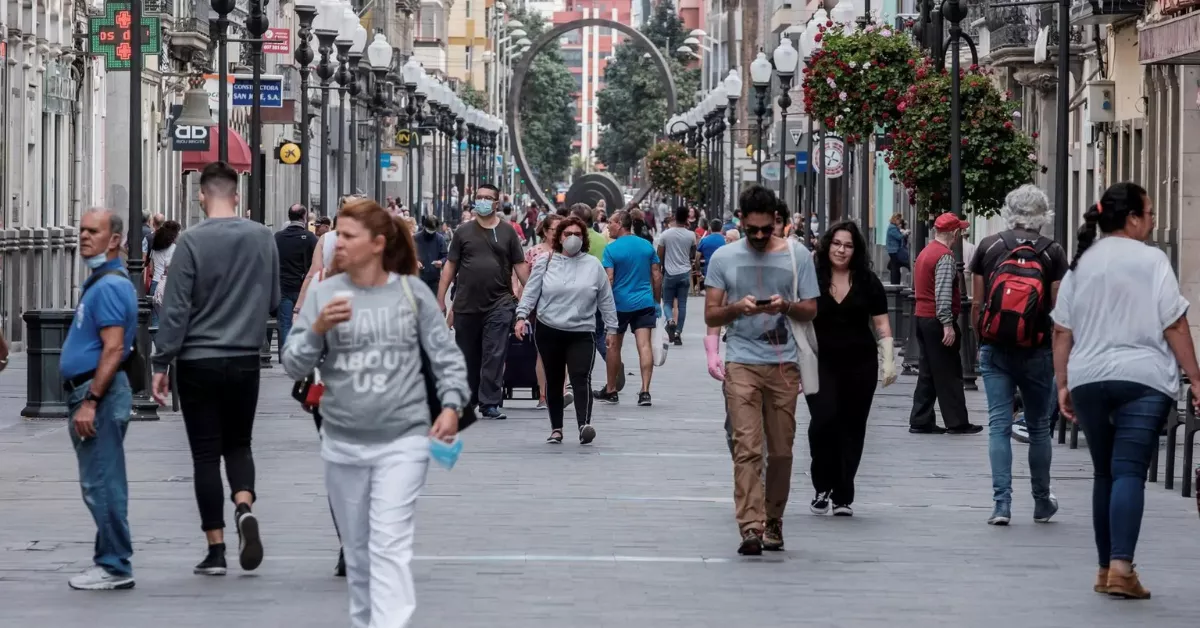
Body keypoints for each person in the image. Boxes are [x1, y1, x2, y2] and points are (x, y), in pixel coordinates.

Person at [282, 199, 468, 627]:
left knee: (389, 543)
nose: (336, 244)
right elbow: (293, 364)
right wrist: (316, 329)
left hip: (402, 438)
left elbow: (445, 356)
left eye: (347, 237)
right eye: (336, 236)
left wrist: (453, 405)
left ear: (377, 244)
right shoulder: (325, 294)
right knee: (361, 552)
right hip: (343, 441)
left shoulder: (410, 292)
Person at [1052, 182, 1200, 600]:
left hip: (1089, 378)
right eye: (1150, 214)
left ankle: (1104, 569)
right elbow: (1174, 323)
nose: (1153, 222)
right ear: (1132, 218)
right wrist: (1197, 377)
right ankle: (1121, 568)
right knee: (1130, 471)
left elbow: (1062, 330)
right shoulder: (1152, 260)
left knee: (1105, 472)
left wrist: (1063, 383)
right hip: (1144, 378)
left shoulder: (1081, 264)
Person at [151, 161, 280, 575]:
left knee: (205, 455)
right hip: (245, 359)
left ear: (202, 196)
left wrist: (160, 362)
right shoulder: (263, 238)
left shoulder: (190, 242)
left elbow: (176, 309)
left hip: (197, 361)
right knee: (239, 444)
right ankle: (244, 504)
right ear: (237, 195)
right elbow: (275, 297)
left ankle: (216, 550)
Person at [704, 185, 819, 555]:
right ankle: (750, 527)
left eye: (765, 229)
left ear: (776, 223)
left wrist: (785, 306)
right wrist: (738, 309)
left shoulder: (797, 255)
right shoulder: (723, 257)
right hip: (741, 361)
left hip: (785, 365)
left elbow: (811, 309)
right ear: (741, 220)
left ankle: (774, 520)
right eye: (751, 229)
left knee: (782, 451)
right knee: (747, 447)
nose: (757, 236)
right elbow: (710, 313)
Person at [968, 185, 1068, 526]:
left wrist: (982, 338)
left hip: (995, 348)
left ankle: (1002, 505)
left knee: (999, 425)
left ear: (1009, 212)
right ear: (1043, 215)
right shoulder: (1053, 252)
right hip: (1037, 348)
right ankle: (1041, 501)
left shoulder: (989, 246)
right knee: (1039, 428)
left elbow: (978, 304)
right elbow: (1057, 309)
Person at [60, 207, 138, 591]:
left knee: (103, 482)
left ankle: (114, 564)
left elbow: (113, 348)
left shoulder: (108, 286)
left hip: (98, 395)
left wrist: (91, 400)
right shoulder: (102, 281)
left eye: (94, 231)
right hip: (92, 392)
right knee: (101, 480)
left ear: (115, 240)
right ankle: (108, 558)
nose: (84, 237)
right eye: (82, 230)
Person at [805, 221, 896, 518]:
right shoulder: (812, 277)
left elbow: (881, 324)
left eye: (848, 245)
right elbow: (798, 319)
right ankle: (822, 484)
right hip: (820, 363)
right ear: (827, 245)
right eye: (837, 244)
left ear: (855, 250)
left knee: (853, 428)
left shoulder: (868, 281)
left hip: (860, 364)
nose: (841, 250)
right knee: (824, 421)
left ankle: (843, 494)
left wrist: (888, 359)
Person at [516, 216, 618, 444]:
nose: (573, 238)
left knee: (581, 377)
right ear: (559, 237)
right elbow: (531, 291)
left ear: (584, 238)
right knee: (554, 379)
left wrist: (612, 328)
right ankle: (557, 429)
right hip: (549, 329)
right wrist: (521, 316)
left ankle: (584, 425)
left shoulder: (593, 265)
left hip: (582, 331)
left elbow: (606, 299)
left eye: (578, 234)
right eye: (567, 234)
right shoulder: (546, 261)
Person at [437, 183, 529, 421]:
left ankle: (489, 402)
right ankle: (470, 399)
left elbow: (520, 266)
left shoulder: (508, 232)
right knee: (467, 355)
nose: (483, 201)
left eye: (488, 198)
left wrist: (529, 297)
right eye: (480, 197)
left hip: (500, 302)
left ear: (497, 204)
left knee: (494, 353)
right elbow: (450, 265)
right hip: (466, 304)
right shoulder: (462, 232)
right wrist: (441, 299)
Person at [908, 212, 983, 435]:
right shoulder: (945, 256)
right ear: (954, 233)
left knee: (928, 371)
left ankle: (921, 419)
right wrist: (947, 324)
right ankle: (957, 422)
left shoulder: (925, 253)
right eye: (959, 230)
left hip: (922, 317)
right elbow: (942, 292)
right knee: (950, 372)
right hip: (936, 320)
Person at [595, 210, 662, 407]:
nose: (608, 226)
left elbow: (609, 278)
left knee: (614, 346)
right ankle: (645, 391)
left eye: (610, 223)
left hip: (619, 304)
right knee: (644, 346)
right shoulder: (646, 246)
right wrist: (656, 301)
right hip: (644, 303)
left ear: (620, 224)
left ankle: (611, 390)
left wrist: (602, 303)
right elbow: (657, 277)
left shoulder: (611, 249)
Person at [525, 214, 567, 409]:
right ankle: (543, 395)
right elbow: (523, 281)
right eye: (554, 230)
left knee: (565, 352)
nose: (557, 235)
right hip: (540, 309)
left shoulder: (569, 252)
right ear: (544, 231)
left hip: (565, 307)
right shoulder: (534, 252)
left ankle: (561, 392)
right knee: (543, 353)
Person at [275, 204, 318, 357]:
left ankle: (286, 356)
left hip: (284, 286)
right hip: (303, 288)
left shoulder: (278, 237)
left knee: (285, 323)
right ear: (304, 217)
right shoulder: (310, 238)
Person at [659, 206, 698, 346]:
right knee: (682, 305)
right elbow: (693, 254)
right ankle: (678, 333)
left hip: (669, 273)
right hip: (684, 273)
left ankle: (670, 320)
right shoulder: (691, 235)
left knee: (668, 302)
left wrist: (661, 268)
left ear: (675, 217)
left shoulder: (666, 234)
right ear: (687, 218)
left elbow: (660, 255)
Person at [148, 220, 181, 328]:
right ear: (174, 234)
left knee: (155, 317)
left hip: (154, 283)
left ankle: (157, 342)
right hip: (167, 284)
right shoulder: (173, 248)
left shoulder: (155, 248)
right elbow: (169, 267)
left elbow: (151, 268)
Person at [414, 214, 448, 294]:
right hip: (418, 278)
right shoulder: (415, 238)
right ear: (424, 226)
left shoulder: (440, 239)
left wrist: (441, 261)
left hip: (434, 280)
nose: (430, 232)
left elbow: (445, 256)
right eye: (429, 229)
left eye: (433, 229)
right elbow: (407, 254)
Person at [885, 213, 910, 285]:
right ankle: (895, 282)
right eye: (898, 219)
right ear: (894, 219)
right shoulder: (892, 227)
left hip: (894, 249)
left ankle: (895, 281)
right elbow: (898, 237)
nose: (899, 220)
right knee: (895, 267)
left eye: (900, 219)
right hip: (893, 250)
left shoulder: (893, 227)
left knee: (895, 266)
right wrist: (905, 233)